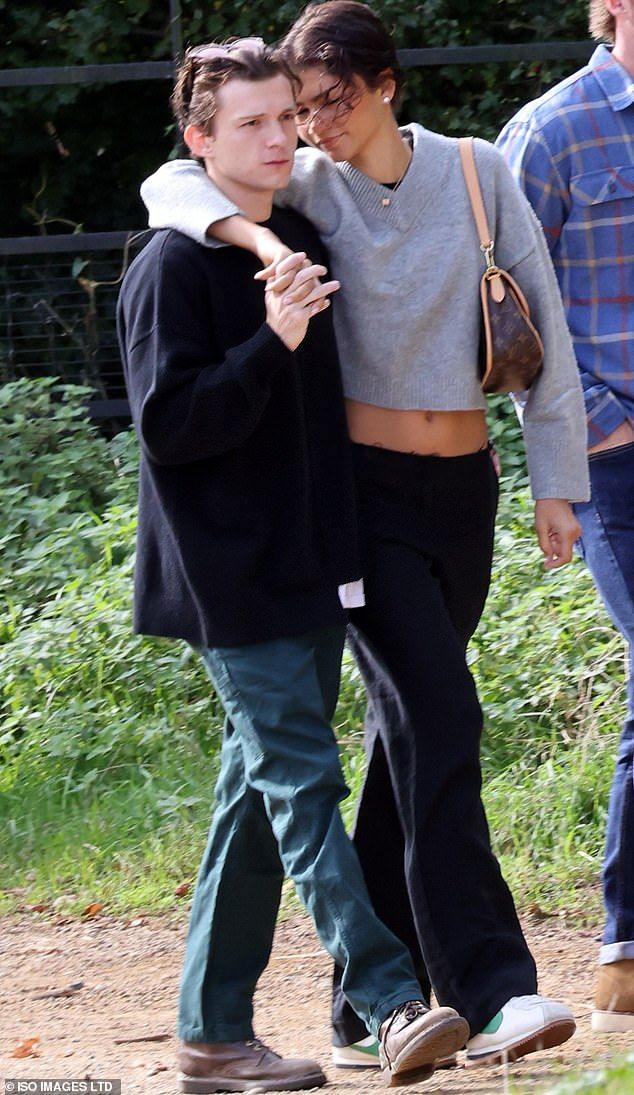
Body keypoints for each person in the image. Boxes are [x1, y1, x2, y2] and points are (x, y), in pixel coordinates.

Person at [141, 0, 589, 1068]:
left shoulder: (478, 171)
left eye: (330, 102)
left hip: (464, 490)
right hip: (362, 500)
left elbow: (546, 328)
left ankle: (348, 1010)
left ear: (388, 85)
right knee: (441, 714)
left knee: (405, 739)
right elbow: (169, 182)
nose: (310, 126)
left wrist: (551, 482)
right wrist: (250, 232)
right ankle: (488, 992)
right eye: (296, 109)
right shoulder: (301, 191)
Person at [117, 38, 470, 1094]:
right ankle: (392, 996)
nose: (278, 139)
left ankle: (213, 1036)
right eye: (250, 125)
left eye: (285, 119)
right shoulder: (172, 265)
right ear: (199, 142)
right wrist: (269, 341)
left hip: (315, 570)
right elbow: (170, 428)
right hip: (232, 584)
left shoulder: (301, 231)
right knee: (307, 786)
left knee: (254, 801)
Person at [497, 0, 634, 1036]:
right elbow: (496, 302)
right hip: (617, 462)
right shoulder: (550, 132)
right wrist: (588, 430)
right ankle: (623, 948)